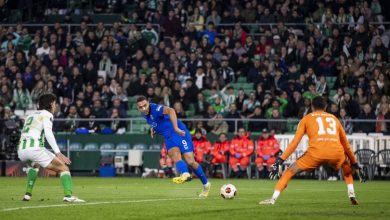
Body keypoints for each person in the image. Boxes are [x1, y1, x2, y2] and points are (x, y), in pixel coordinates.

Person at [259, 96, 366, 205]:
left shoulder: (306, 119)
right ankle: (351, 194)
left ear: (311, 107)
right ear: (326, 107)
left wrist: (280, 161)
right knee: (346, 166)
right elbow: (346, 146)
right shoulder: (334, 119)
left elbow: (295, 142)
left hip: (315, 154)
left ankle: (273, 199)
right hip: (336, 153)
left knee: (289, 171)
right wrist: (355, 164)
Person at [136, 96, 210, 197]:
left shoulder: (156, 109)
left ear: (148, 103)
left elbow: (171, 111)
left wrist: (176, 128)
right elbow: (157, 122)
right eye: (141, 107)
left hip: (179, 132)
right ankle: (185, 174)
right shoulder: (144, 114)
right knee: (173, 153)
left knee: (191, 162)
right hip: (168, 137)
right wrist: (154, 128)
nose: (143, 108)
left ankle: (206, 185)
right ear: (138, 108)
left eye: (145, 105)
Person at [17, 93, 84, 202]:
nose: (55, 106)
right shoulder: (47, 114)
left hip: (22, 150)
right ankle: (68, 196)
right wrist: (58, 153)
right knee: (64, 168)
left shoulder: (30, 115)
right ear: (50, 104)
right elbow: (48, 133)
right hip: (35, 149)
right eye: (54, 103)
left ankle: (27, 195)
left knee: (34, 165)